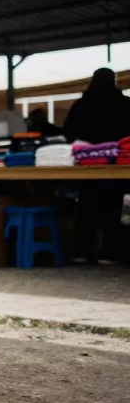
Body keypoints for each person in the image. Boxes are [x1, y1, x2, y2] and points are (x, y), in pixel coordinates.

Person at [63, 68, 130, 265]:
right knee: (113, 207)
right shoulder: (125, 104)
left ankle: (82, 252)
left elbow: (68, 133)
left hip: (88, 165)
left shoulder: (82, 104)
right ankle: (109, 253)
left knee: (87, 208)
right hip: (116, 164)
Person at [63, 68, 130, 144]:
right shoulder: (125, 103)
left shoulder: (81, 104)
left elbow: (69, 131)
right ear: (113, 81)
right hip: (121, 151)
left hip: (88, 152)